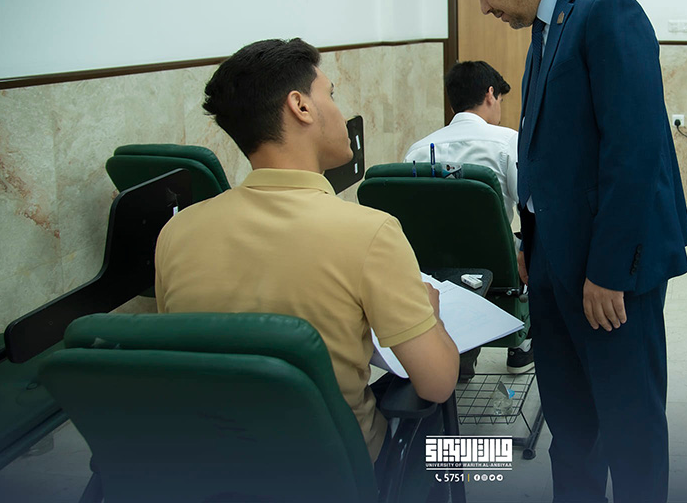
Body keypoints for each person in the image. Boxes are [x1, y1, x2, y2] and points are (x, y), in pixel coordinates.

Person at [452, 0, 687, 503]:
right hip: (555, 258)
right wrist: (532, 242)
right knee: (571, 421)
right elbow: (545, 148)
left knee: (628, 422)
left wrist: (609, 270)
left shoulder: (607, 11)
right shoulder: (546, 26)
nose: (483, 7)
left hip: (609, 266)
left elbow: (635, 152)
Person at [154, 38, 459, 493]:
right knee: (457, 441)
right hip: (337, 475)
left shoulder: (177, 233)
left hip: (212, 472)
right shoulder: (370, 232)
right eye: (330, 94)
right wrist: (430, 315)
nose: (339, 110)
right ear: (300, 106)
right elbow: (437, 384)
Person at [404, 60, 533, 378]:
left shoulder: (417, 151)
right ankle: (521, 347)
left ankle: (459, 351)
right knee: (532, 241)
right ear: (490, 94)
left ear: (453, 104)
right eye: (499, 99)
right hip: (497, 266)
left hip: (435, 269)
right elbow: (530, 205)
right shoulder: (507, 142)